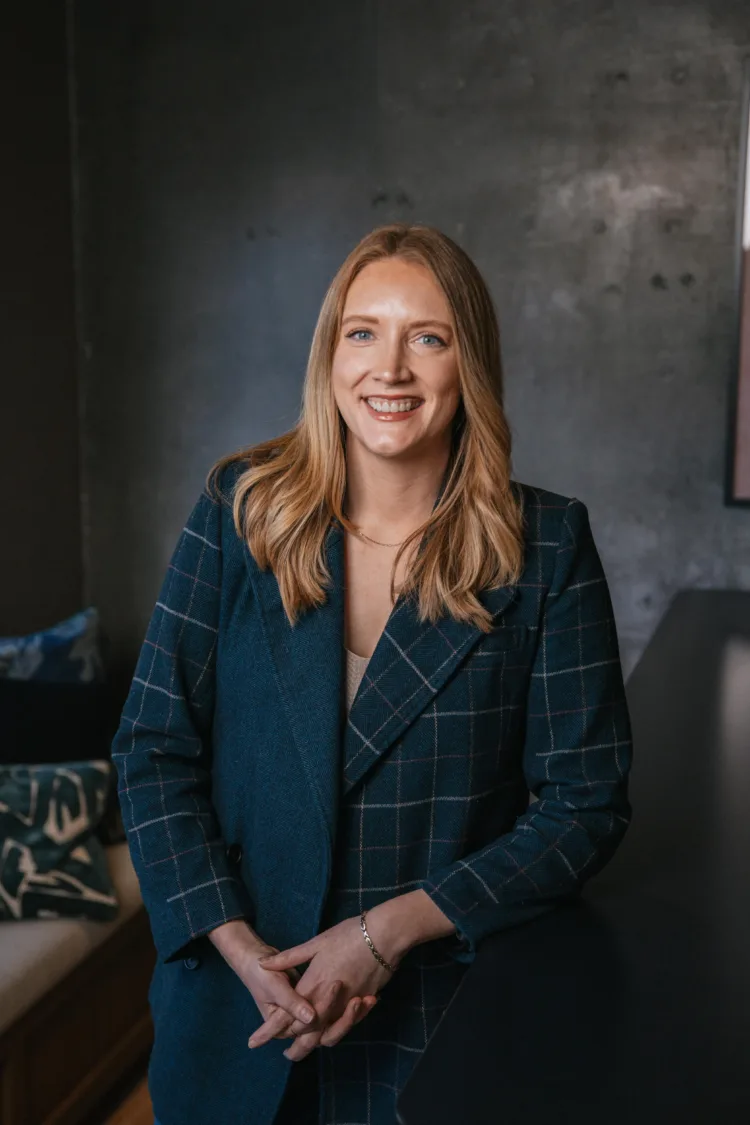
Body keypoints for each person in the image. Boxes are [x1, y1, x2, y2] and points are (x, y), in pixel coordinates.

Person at [112, 222, 633, 1125]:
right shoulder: (239, 512)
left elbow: (584, 805)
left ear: (469, 364)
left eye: (427, 337)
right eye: (363, 332)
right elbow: (154, 748)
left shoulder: (546, 545)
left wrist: (387, 931)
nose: (389, 369)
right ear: (331, 354)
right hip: (237, 1014)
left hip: (434, 1029)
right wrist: (235, 943)